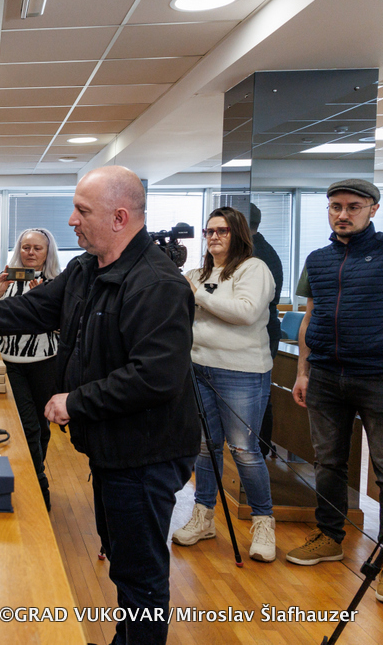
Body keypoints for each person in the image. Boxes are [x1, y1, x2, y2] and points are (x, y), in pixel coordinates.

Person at [0, 166, 200, 645]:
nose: (71, 221)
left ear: (119, 218)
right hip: (114, 448)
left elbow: (155, 376)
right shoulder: (87, 269)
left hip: (146, 453)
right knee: (124, 562)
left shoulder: (157, 283)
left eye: (82, 211)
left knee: (140, 577)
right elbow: (35, 308)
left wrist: (76, 401)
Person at [287, 179, 382, 588]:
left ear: (373, 209)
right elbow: (310, 317)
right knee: (327, 462)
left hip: (376, 376)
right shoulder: (317, 259)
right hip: (325, 376)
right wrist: (302, 371)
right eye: (335, 207)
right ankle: (329, 537)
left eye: (353, 207)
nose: (342, 214)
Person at [171, 207, 277, 562]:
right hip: (199, 368)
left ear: (238, 234)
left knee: (244, 450)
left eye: (223, 231)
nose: (214, 236)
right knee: (205, 447)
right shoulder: (197, 273)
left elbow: (245, 312)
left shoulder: (253, 269)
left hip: (242, 372)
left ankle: (263, 523)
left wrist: (196, 294)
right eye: (209, 231)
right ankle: (203, 517)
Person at [0, 228, 61, 510]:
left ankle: (33, 472)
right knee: (28, 426)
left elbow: (64, 326)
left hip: (46, 364)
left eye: (37, 248)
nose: (30, 253)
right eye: (25, 247)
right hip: (11, 364)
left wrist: (41, 299)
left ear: (47, 252)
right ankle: (39, 486)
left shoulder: (57, 283)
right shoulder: (6, 281)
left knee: (42, 427)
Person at [248, 204, 284, 457]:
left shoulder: (257, 255)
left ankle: (260, 449)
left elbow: (250, 307)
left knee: (259, 393)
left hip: (261, 331)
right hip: (261, 329)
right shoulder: (256, 249)